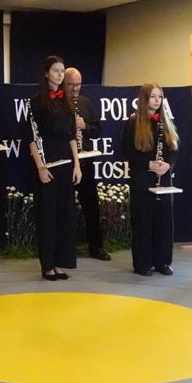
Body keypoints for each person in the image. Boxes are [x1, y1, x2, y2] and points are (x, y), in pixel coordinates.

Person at [27, 55, 82, 280]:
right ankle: (47, 265)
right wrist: (40, 167)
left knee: (64, 217)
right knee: (48, 217)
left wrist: (77, 165)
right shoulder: (36, 101)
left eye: (62, 71)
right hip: (47, 166)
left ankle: (60, 262)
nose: (60, 74)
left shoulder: (67, 101)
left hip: (66, 166)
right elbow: (31, 137)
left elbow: (71, 136)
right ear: (46, 73)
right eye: (56, 71)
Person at [122, 84, 179, 276]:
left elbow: (173, 150)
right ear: (144, 99)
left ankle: (163, 261)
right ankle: (143, 263)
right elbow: (126, 151)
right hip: (143, 178)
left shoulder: (165, 122)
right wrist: (148, 164)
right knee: (143, 221)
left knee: (164, 220)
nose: (157, 100)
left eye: (160, 97)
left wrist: (167, 165)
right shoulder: (133, 122)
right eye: (153, 96)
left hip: (163, 178)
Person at [63, 67, 109, 261]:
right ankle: (65, 249)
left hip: (85, 160)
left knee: (91, 204)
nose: (75, 89)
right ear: (63, 83)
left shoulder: (85, 103)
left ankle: (96, 247)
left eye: (78, 85)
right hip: (66, 161)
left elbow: (97, 131)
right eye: (70, 85)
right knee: (64, 206)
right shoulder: (57, 103)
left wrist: (85, 126)